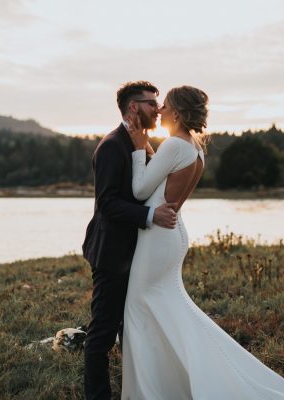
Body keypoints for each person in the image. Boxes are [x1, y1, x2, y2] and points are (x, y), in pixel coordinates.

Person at [121, 85, 284, 399]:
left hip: (159, 237)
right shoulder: (194, 146)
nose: (159, 111)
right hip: (172, 233)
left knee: (138, 309)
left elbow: (141, 191)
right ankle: (174, 381)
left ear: (177, 111)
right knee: (168, 309)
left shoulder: (174, 144)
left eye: (165, 105)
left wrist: (137, 148)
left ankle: (152, 390)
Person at [82, 81, 178, 400]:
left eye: (158, 101)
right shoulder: (112, 145)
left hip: (135, 253)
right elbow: (107, 203)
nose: (158, 108)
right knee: (102, 334)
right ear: (133, 107)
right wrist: (151, 217)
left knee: (132, 328)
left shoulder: (141, 142)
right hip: (112, 253)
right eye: (152, 103)